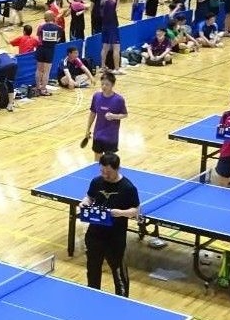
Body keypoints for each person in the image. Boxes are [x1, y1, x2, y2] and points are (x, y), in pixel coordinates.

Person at [76, 152, 139, 296]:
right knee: (93, 269)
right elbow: (89, 197)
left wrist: (120, 213)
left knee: (118, 272)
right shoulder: (97, 181)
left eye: (108, 172)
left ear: (117, 169)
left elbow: (135, 211)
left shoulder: (127, 188)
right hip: (95, 234)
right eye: (102, 171)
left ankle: (122, 301)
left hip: (115, 238)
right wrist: (84, 202)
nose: (105, 175)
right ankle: (93, 296)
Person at [82, 72, 127, 160]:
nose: (104, 86)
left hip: (111, 136)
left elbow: (125, 114)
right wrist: (88, 129)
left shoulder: (119, 99)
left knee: (108, 162)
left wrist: (114, 116)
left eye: (107, 84)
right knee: (97, 161)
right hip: (98, 135)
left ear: (113, 85)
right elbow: (93, 113)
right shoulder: (96, 96)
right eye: (102, 84)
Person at [34, 12, 64, 96]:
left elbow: (38, 37)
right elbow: (57, 40)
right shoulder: (58, 28)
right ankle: (43, 89)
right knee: (46, 71)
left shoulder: (41, 26)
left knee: (39, 70)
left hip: (40, 49)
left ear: (45, 17)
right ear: (53, 17)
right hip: (49, 50)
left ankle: (37, 88)